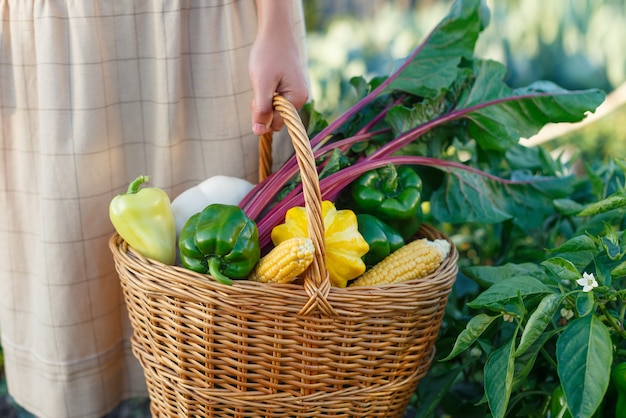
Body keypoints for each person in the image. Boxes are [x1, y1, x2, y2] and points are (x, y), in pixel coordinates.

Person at [0, 1, 309, 417]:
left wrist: (277, 25)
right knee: (74, 291)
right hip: (62, 40)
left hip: (206, 30)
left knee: (230, 357)